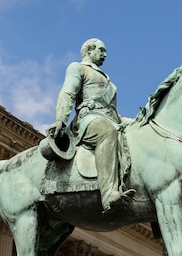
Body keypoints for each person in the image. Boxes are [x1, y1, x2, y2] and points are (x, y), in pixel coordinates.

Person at [47, 38, 135, 213]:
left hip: (110, 118)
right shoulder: (78, 68)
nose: (105, 54)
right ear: (88, 50)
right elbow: (67, 93)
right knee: (107, 132)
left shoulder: (106, 79)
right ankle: (108, 194)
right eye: (101, 50)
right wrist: (60, 119)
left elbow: (113, 112)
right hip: (88, 119)